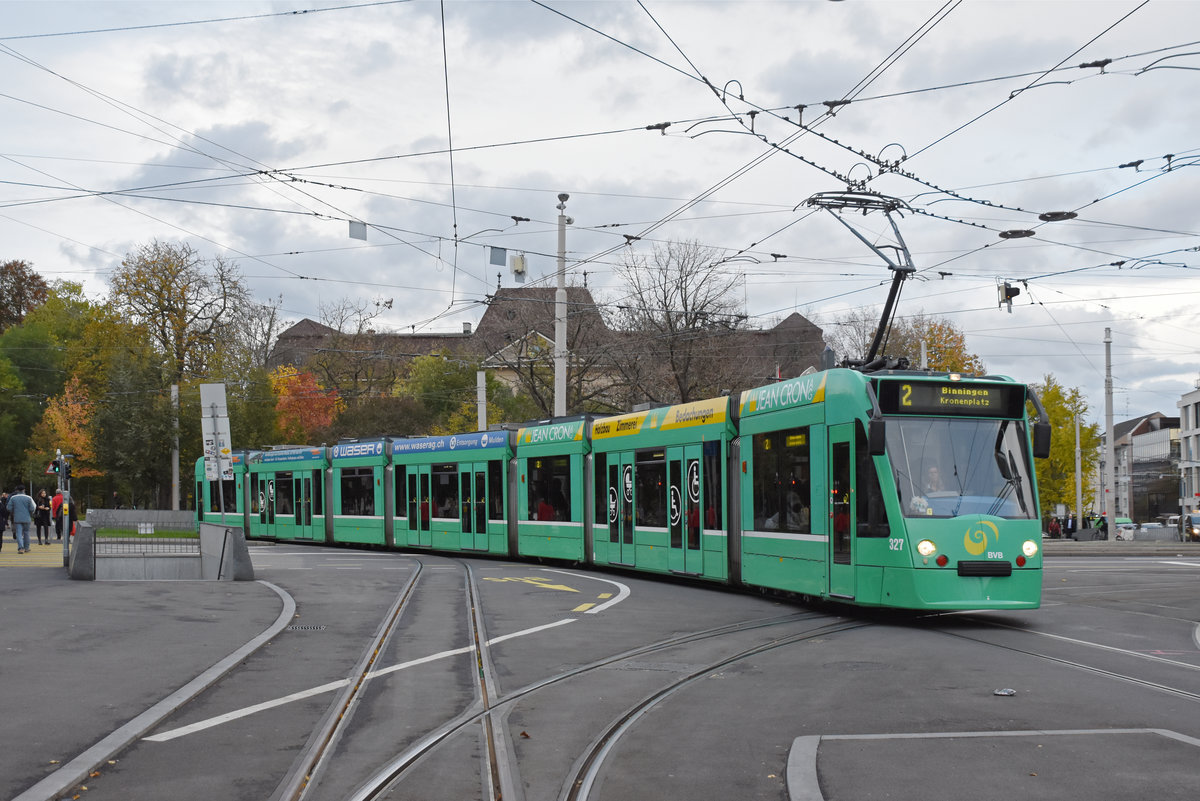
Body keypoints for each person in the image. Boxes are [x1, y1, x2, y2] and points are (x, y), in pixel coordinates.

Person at [7, 485, 36, 554]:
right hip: (27, 518)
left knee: (19, 533)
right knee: (26, 533)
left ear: (17, 490)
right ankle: (27, 548)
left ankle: (21, 548)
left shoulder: (13, 498)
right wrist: (29, 513)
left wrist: (14, 511)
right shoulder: (28, 498)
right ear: (24, 490)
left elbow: (9, 508)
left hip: (17, 518)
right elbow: (32, 508)